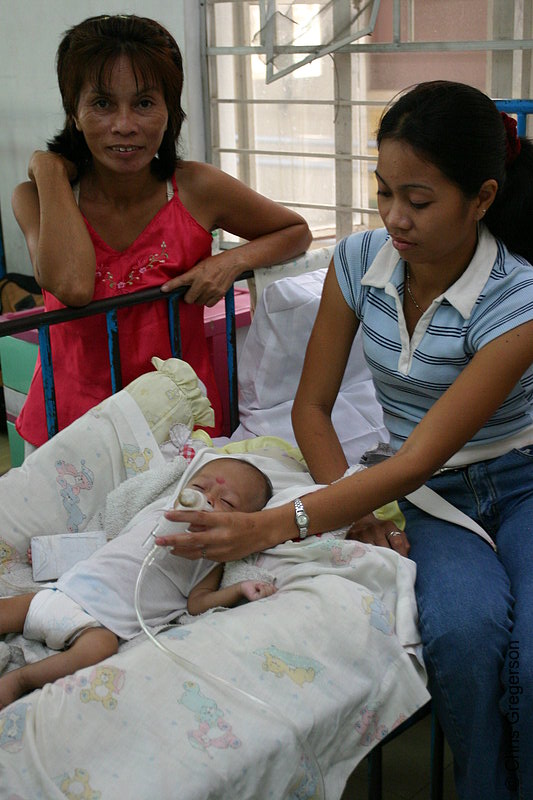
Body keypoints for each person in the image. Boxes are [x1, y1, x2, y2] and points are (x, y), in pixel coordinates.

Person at [154, 82, 533, 800]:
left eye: (417, 201)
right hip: (424, 493)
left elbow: (418, 451)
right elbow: (312, 408)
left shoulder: (518, 297)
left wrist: (267, 525)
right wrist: (350, 506)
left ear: (481, 198)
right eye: (383, 191)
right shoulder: (360, 263)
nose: (394, 217)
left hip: (518, 479)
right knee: (464, 634)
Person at [11, 14, 311, 448]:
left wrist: (230, 261)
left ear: (170, 112)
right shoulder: (36, 197)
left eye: (145, 103)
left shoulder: (197, 189)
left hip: (176, 423)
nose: (125, 124)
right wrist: (48, 169)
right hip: (69, 426)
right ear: (73, 113)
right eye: (102, 104)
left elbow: (294, 230)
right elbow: (74, 286)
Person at [0, 456, 274, 709]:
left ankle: (20, 681)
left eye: (226, 503)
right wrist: (56, 554)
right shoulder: (158, 514)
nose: (207, 499)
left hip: (99, 624)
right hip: (63, 592)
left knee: (100, 648)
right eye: (199, 487)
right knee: (9, 609)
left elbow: (197, 603)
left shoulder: (211, 557)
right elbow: (111, 542)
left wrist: (239, 589)